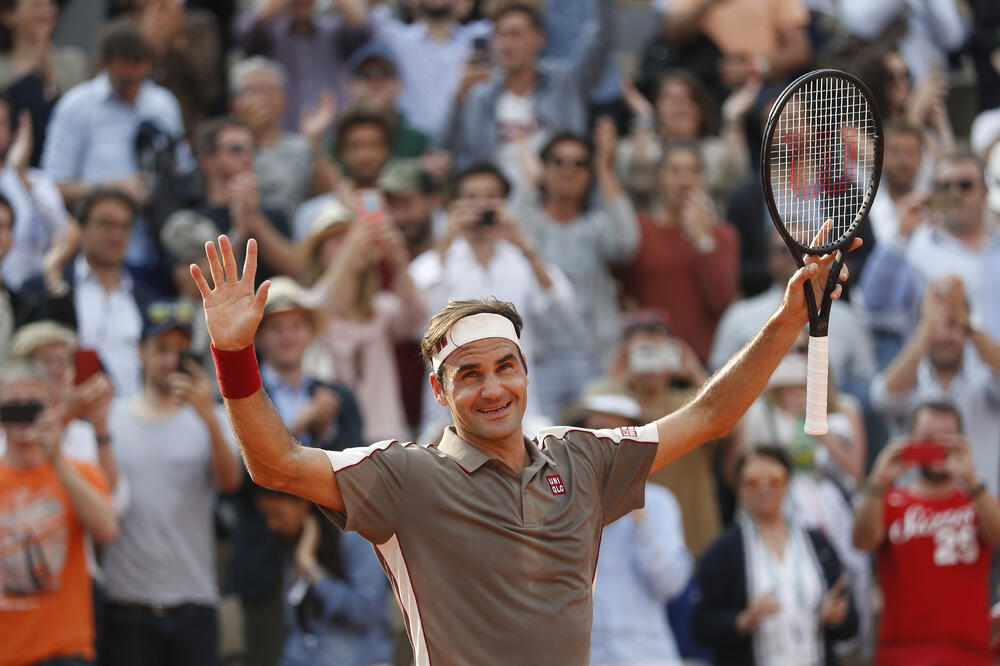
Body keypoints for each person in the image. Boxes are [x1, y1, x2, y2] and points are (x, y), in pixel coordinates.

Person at [186, 201, 857, 664]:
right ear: (440, 391)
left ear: (527, 373)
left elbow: (710, 416)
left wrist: (788, 318)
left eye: (506, 367)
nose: (493, 388)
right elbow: (274, 464)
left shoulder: (584, 458)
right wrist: (234, 355)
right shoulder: (404, 476)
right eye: (469, 374)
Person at [227, 276, 364, 666]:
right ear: (262, 336)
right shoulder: (238, 395)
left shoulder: (338, 397)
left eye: (296, 326)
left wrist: (329, 431)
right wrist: (297, 427)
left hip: (328, 557)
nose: (288, 337)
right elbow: (235, 479)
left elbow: (360, 471)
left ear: (309, 333)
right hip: (265, 560)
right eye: (277, 328)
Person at [101, 301, 241, 666]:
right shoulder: (111, 420)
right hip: (126, 603)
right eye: (161, 349)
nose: (170, 360)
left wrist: (209, 419)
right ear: (140, 351)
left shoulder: (210, 416)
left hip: (194, 601)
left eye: (180, 351)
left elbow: (230, 483)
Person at [409, 162, 573, 429]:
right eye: (472, 197)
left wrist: (522, 242)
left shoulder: (519, 259)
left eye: (491, 196)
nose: (482, 205)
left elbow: (561, 302)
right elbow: (416, 319)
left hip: (516, 399)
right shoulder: (436, 260)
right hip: (448, 404)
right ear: (455, 205)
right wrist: (445, 241)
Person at [853, 401, 1000, 665]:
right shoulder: (889, 499)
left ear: (962, 442)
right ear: (911, 442)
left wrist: (972, 479)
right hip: (901, 651)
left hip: (969, 651)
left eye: (947, 438)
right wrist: (878, 480)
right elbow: (862, 541)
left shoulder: (980, 500)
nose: (937, 447)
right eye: (927, 439)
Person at [513, 125, 639, 416]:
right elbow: (511, 234)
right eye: (557, 162)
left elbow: (626, 242)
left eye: (580, 163)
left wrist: (605, 167)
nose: (568, 170)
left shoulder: (595, 227)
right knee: (536, 442)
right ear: (543, 168)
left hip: (592, 354)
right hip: (536, 357)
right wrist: (529, 185)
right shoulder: (529, 223)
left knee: (590, 449)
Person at [692, 446, 858, 666]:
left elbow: (851, 622)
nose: (764, 487)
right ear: (739, 488)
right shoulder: (724, 550)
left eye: (774, 479)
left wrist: (837, 616)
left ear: (788, 484)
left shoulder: (817, 543)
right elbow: (700, 624)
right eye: (752, 480)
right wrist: (742, 621)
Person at [0, 360, 118, 666]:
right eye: (14, 406)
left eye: (32, 406)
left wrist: (55, 458)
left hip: (65, 649)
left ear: (50, 407)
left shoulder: (78, 470)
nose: (24, 415)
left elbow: (107, 530)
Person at [442, 1, 614, 193]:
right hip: (497, 205)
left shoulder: (564, 85)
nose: (506, 45)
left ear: (539, 39)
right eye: (500, 35)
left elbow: (601, 40)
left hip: (552, 204)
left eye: (515, 34)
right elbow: (447, 153)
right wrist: (458, 100)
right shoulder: (479, 97)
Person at [301, 201, 425, 444]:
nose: (350, 245)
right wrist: (356, 240)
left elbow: (418, 316)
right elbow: (327, 302)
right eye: (336, 240)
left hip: (388, 438)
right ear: (319, 253)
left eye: (350, 238)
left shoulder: (380, 307)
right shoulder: (308, 303)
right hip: (337, 440)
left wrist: (398, 259)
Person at [585, 392, 693, 666]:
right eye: (595, 433)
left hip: (648, 654)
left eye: (617, 437)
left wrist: (637, 512)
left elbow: (671, 585)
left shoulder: (658, 503)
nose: (605, 444)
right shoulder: (563, 501)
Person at [18, 188, 153, 398]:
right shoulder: (42, 287)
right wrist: (53, 277)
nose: (116, 235)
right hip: (66, 419)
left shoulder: (144, 297)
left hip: (131, 418)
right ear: (79, 228)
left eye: (124, 226)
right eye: (105, 224)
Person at [870, 276, 1000, 493]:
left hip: (979, 512)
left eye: (953, 324)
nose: (944, 335)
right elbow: (881, 397)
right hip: (916, 516)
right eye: (936, 325)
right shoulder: (910, 380)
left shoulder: (985, 378)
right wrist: (923, 334)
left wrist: (968, 323)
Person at [40, 21, 184, 210]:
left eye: (140, 80)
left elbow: (183, 168)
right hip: (93, 230)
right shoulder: (75, 106)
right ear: (101, 64)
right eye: (124, 82)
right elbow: (52, 187)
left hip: (157, 230)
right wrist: (112, 190)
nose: (133, 90)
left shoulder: (163, 103)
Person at [860, 152, 1000, 347]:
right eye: (945, 187)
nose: (955, 193)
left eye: (965, 185)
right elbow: (875, 305)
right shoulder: (916, 247)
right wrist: (901, 235)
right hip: (937, 375)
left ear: (985, 192)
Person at [619, 140, 740, 362]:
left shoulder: (723, 235)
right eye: (675, 171)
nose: (684, 181)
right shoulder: (638, 230)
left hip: (704, 362)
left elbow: (722, 298)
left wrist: (703, 241)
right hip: (649, 361)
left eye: (693, 172)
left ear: (703, 178)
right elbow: (620, 290)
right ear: (658, 178)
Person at [254, 486, 394, 666]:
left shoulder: (355, 536)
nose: (272, 524)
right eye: (266, 516)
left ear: (302, 502)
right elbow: (298, 634)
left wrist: (312, 569)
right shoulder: (297, 542)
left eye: (278, 514)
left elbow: (365, 610)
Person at [616, 70, 756, 212]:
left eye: (690, 98)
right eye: (670, 98)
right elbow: (640, 179)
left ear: (702, 110)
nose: (680, 105)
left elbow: (735, 178)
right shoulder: (629, 148)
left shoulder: (717, 150)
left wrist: (732, 116)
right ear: (656, 108)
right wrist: (644, 118)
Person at [185, 116, 299, 279]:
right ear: (208, 161)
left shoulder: (274, 214)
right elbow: (190, 284)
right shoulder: (190, 220)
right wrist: (239, 232)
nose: (247, 158)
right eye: (236, 149)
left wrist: (254, 220)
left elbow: (297, 271)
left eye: (252, 149)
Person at [236, 0, 372, 132]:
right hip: (284, 138)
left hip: (333, 134)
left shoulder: (336, 31)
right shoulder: (268, 34)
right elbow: (257, 21)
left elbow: (361, 24)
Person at [229, 57, 337, 218]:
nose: (262, 98)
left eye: (270, 90)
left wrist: (315, 141)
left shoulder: (302, 146)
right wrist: (249, 135)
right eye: (252, 91)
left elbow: (328, 197)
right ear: (235, 103)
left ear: (285, 100)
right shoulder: (226, 146)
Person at [368, 0, 491, 142]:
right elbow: (357, 13)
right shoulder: (396, 38)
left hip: (462, 146)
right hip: (413, 146)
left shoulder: (476, 36)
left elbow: (514, 9)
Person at [0, 91, 72, 292]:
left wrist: (21, 175)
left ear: (16, 132)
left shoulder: (36, 183)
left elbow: (65, 233)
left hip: (27, 295)